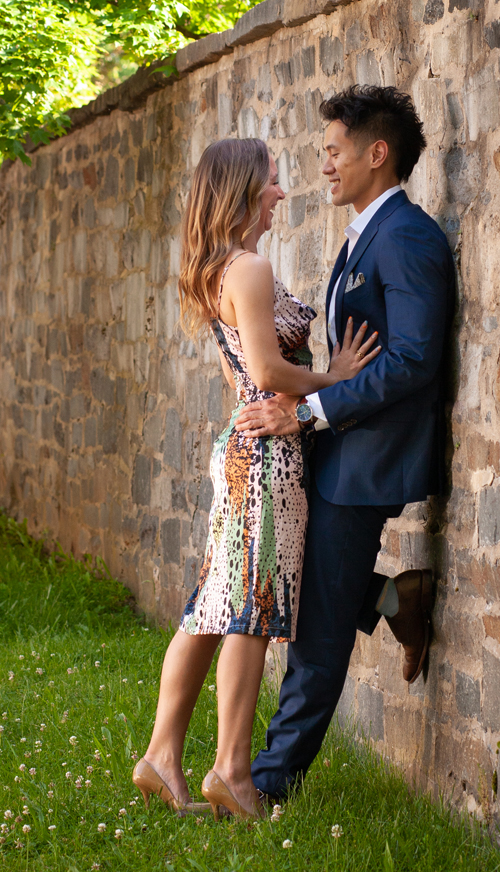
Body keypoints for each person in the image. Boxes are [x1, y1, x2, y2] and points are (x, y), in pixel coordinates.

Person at [132, 137, 380, 820]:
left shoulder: (215, 268)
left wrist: (284, 396)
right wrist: (334, 379)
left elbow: (244, 376)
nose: (280, 192)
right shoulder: (248, 267)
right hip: (267, 455)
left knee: (213, 606)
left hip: (245, 446)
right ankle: (233, 774)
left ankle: (161, 757)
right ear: (242, 189)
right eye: (271, 180)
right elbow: (266, 373)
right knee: (249, 608)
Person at [234, 85, 456, 803]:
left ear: (376, 153)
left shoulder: (408, 237)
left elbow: (414, 359)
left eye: (334, 151)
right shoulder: (365, 234)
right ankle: (394, 598)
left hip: (367, 459)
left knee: (318, 629)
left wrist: (310, 412)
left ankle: (267, 786)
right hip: (336, 450)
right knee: (306, 582)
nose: (324, 165)